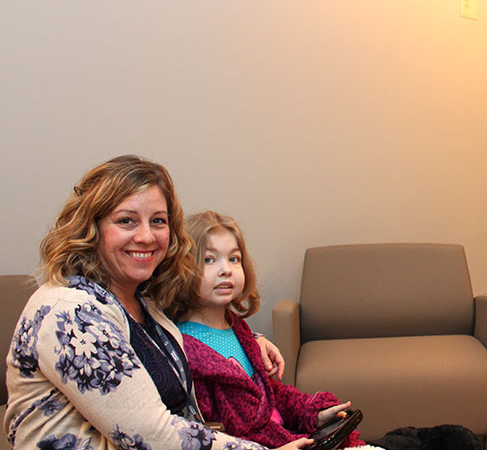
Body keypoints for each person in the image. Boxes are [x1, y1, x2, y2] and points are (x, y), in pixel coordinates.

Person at [4, 155, 311, 450]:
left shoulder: (144, 303)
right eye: (127, 221)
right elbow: (149, 433)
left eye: (158, 221)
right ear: (91, 228)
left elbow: (197, 332)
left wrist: (251, 342)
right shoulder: (70, 311)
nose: (146, 236)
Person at [167, 211, 371, 449]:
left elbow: (270, 395)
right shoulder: (182, 348)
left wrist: (313, 414)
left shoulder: (239, 329)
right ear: (182, 268)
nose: (226, 270)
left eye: (234, 259)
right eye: (209, 260)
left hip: (284, 436)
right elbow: (213, 434)